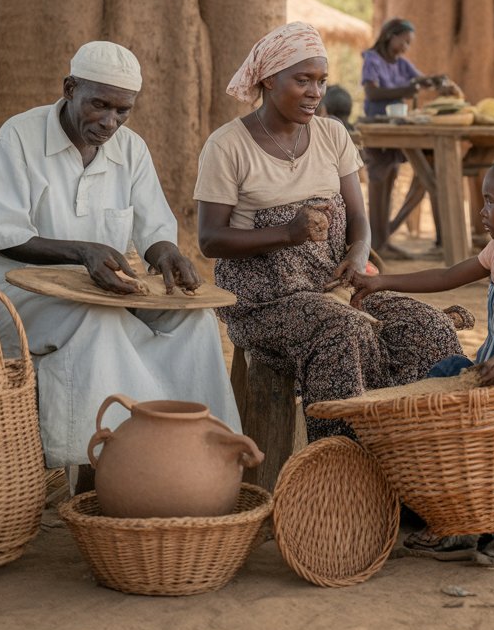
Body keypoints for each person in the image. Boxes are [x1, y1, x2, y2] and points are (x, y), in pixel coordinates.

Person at [0, 41, 239, 483]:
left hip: (102, 291)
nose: (109, 122)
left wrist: (167, 253)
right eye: (99, 105)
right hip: (19, 296)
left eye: (123, 111)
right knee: (101, 323)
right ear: (69, 89)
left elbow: (154, 226)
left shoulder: (131, 149)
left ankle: (200, 453)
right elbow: (7, 236)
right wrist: (82, 250)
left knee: (194, 322)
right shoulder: (19, 137)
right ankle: (109, 468)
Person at [195, 22, 463, 442]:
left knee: (428, 327)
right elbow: (210, 240)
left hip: (334, 286)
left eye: (321, 81)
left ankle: (413, 451)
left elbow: (359, 218)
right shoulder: (228, 146)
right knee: (345, 330)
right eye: (302, 80)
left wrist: (358, 256)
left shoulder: (332, 134)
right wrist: (287, 232)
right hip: (264, 300)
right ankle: (340, 460)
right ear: (268, 78)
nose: (315, 92)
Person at [352, 150, 494, 566]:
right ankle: (459, 521)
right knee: (447, 386)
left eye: (491, 202)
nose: (482, 210)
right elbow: (445, 277)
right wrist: (381, 281)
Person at [360, 18, 456, 258]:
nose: (406, 47)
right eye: (404, 42)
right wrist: (407, 89)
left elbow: (419, 81)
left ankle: (384, 239)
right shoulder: (372, 60)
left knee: (394, 176)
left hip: (396, 128)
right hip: (378, 128)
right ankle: (376, 243)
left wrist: (437, 81)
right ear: (390, 35)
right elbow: (372, 91)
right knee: (379, 180)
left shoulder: (401, 63)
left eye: (409, 44)